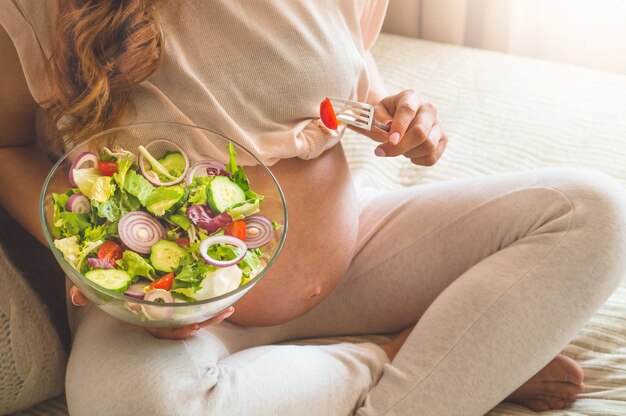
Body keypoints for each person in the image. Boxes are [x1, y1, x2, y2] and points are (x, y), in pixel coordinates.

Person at [1, 1, 625, 415]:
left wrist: (400, 114)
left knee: (595, 210)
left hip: (352, 258)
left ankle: (419, 376)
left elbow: (348, 89)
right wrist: (108, 270)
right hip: (167, 309)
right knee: (133, 406)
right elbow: (7, 147)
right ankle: (400, 358)